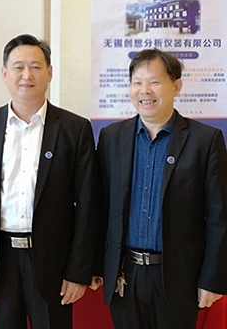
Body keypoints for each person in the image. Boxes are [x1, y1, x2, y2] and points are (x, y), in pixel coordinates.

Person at [0, 34, 102, 329]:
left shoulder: (74, 129)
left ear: (49, 73)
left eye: (36, 67)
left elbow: (89, 204)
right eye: (18, 67)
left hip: (53, 261)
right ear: (4, 74)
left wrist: (78, 271)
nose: (27, 75)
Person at [96, 48, 227, 329]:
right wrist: (96, 265)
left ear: (176, 87)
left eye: (154, 82)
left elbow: (219, 218)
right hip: (125, 275)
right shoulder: (111, 138)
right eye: (137, 82)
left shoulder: (205, 141)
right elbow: (100, 206)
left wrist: (212, 279)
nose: (145, 91)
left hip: (178, 277)